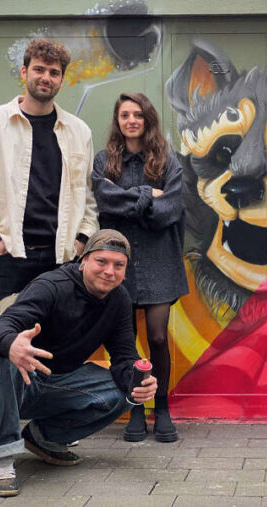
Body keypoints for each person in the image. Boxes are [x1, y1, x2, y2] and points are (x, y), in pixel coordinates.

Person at [0, 38, 98, 465]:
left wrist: (83, 239)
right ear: (25, 72)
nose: (46, 78)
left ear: (62, 80)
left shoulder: (77, 131)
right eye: (39, 70)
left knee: (44, 337)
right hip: (9, 251)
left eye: (54, 73)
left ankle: (24, 423)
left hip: (59, 257)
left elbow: (86, 196)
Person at [0, 229, 158, 497]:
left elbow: (124, 357)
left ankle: (43, 438)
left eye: (118, 265)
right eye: (101, 262)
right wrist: (13, 344)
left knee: (125, 391)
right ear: (84, 261)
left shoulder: (119, 300)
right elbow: (2, 325)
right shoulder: (52, 286)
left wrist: (139, 383)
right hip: (7, 383)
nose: (109, 271)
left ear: (125, 271)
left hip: (55, 382)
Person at [91, 92, 188, 443]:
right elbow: (105, 201)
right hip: (119, 262)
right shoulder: (105, 161)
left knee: (158, 336)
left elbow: (171, 211)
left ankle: (161, 407)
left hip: (160, 257)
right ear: (118, 120)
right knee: (125, 339)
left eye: (138, 115)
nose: (131, 120)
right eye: (125, 115)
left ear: (148, 120)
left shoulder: (166, 161)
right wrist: (150, 195)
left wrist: (132, 200)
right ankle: (135, 406)